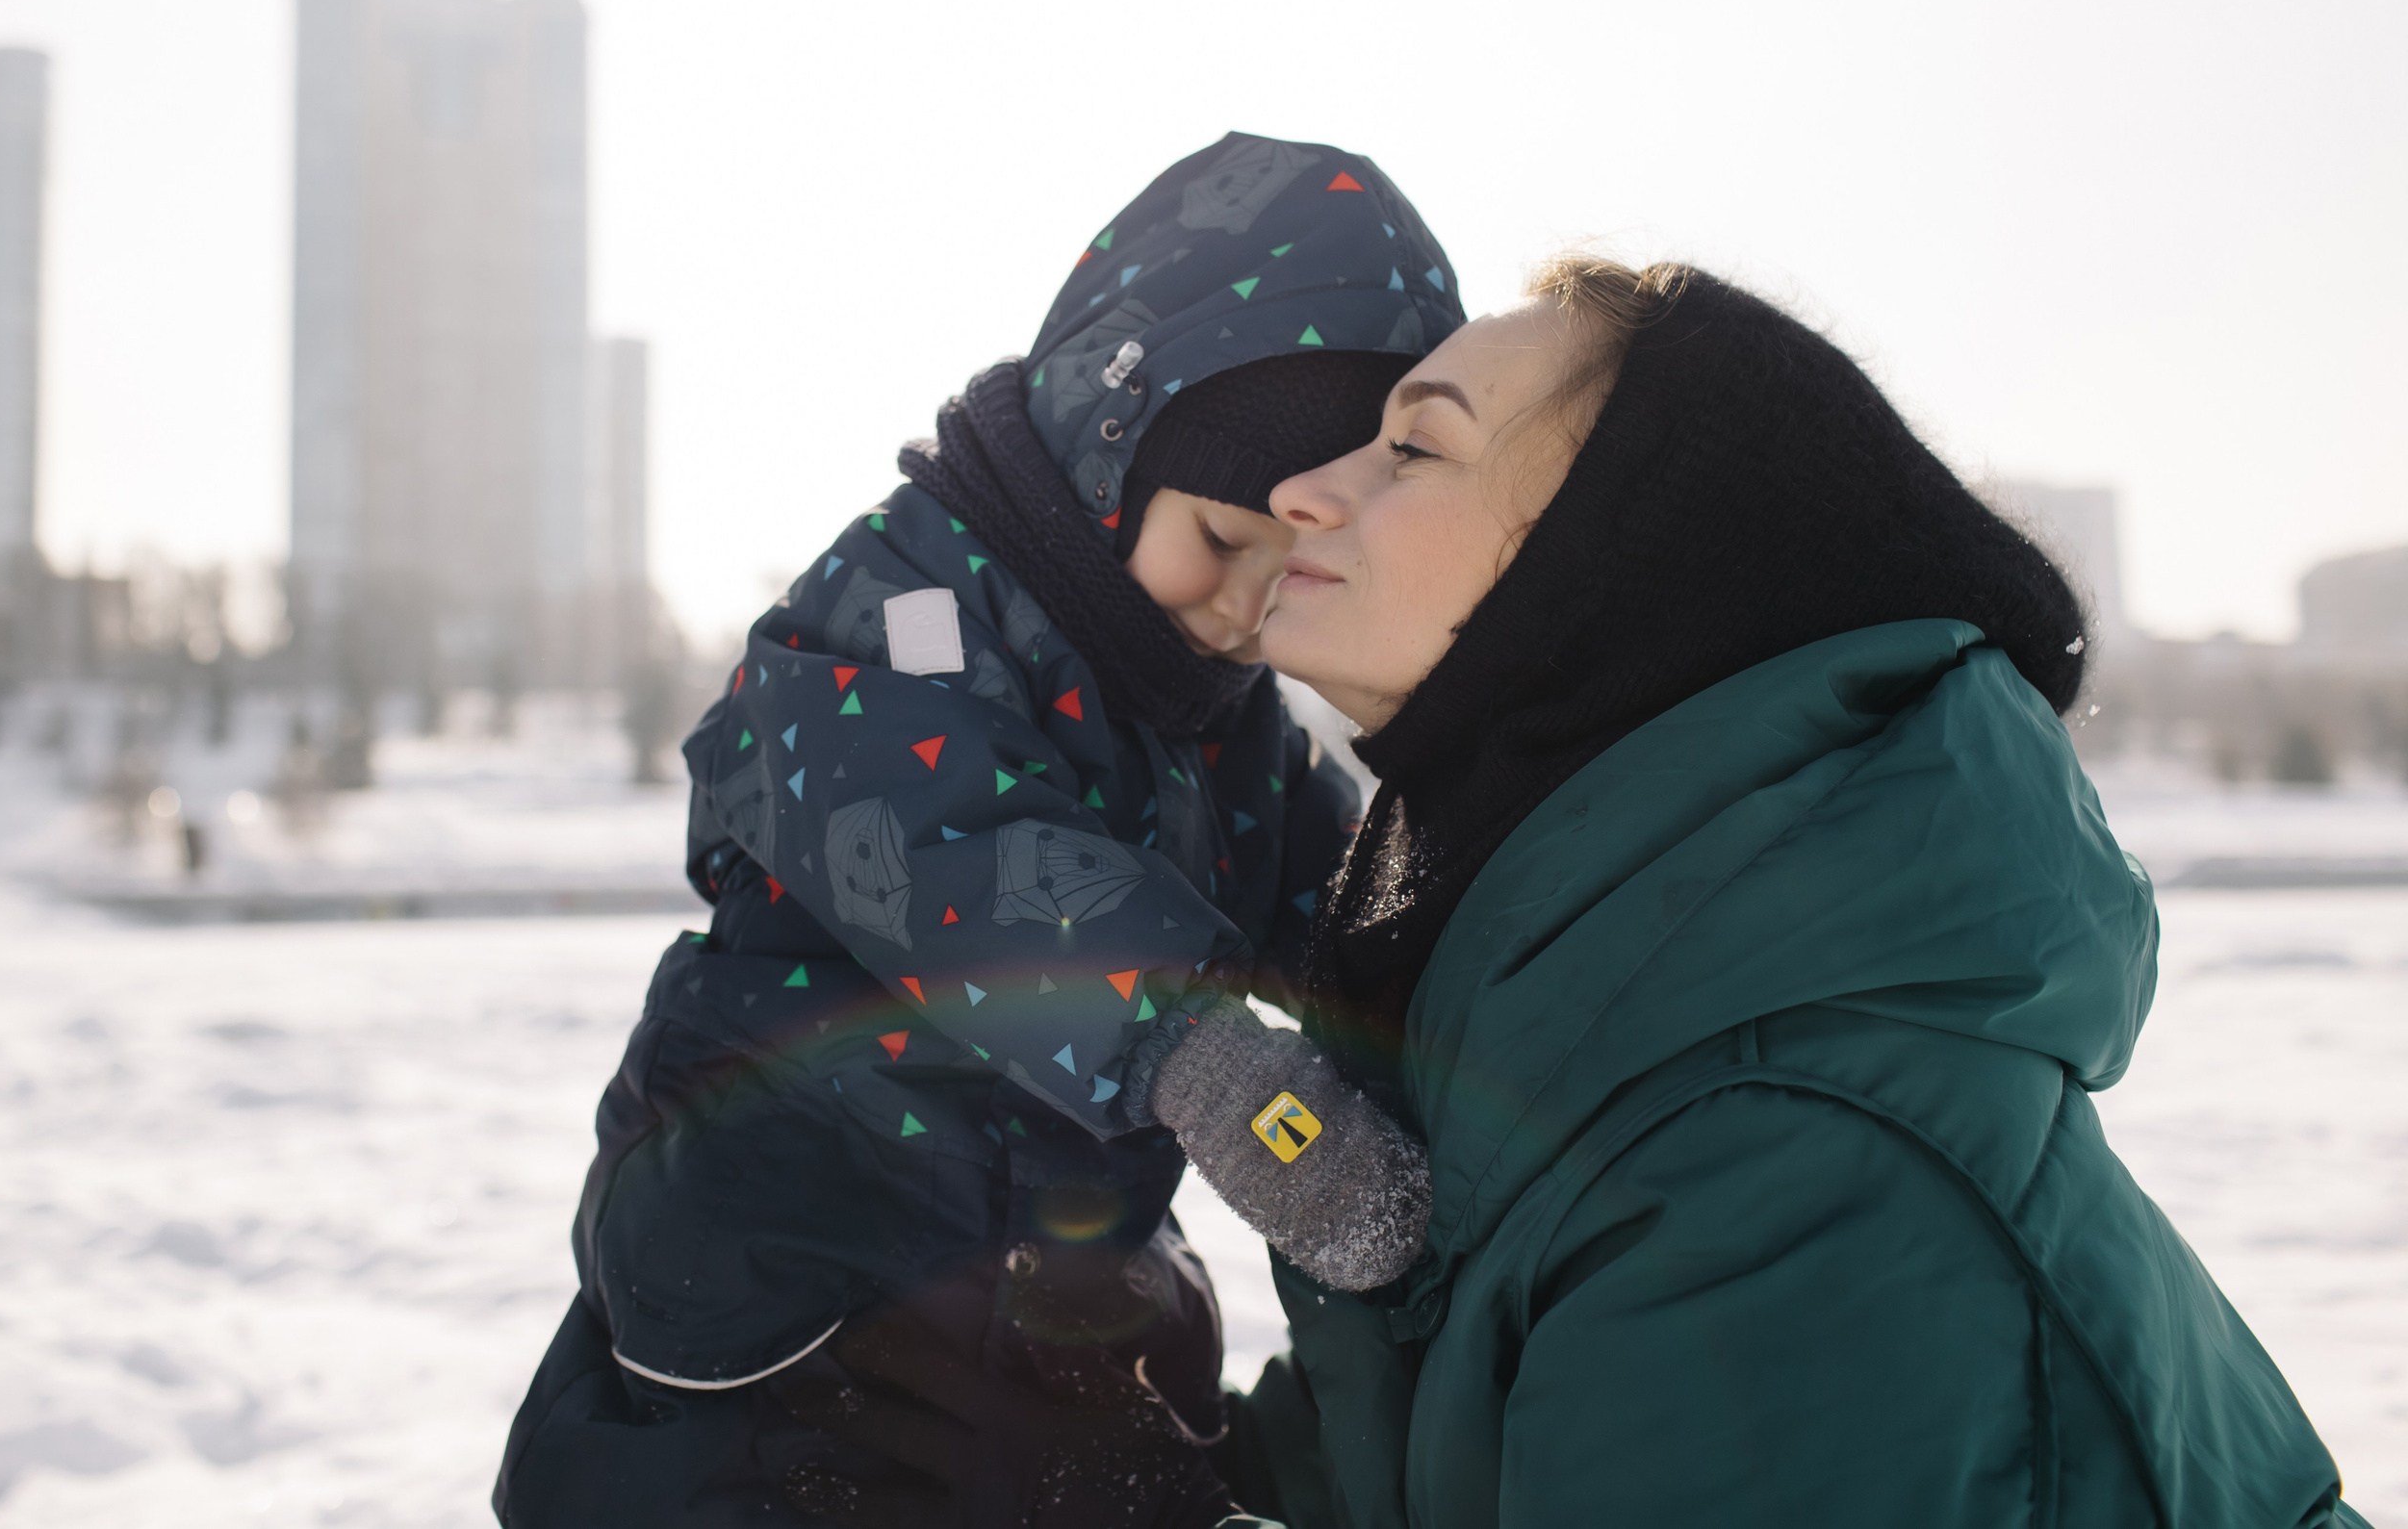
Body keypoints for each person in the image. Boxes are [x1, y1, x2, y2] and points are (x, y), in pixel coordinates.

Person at [1201, 256, 2369, 1527]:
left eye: (1414, 450)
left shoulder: (1784, 1173)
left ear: (1624, 566)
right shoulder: (1579, 1040)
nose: (1300, 493)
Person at [492, 134, 1465, 1528]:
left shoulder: (1220, 709)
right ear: (1114, 434)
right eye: (1219, 536)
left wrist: (1427, 965)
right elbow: (935, 843)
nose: (1248, 605)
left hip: (1055, 1273)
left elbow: (1330, 885)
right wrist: (1192, 1051)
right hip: (798, 1262)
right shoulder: (901, 609)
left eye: (1295, 567)